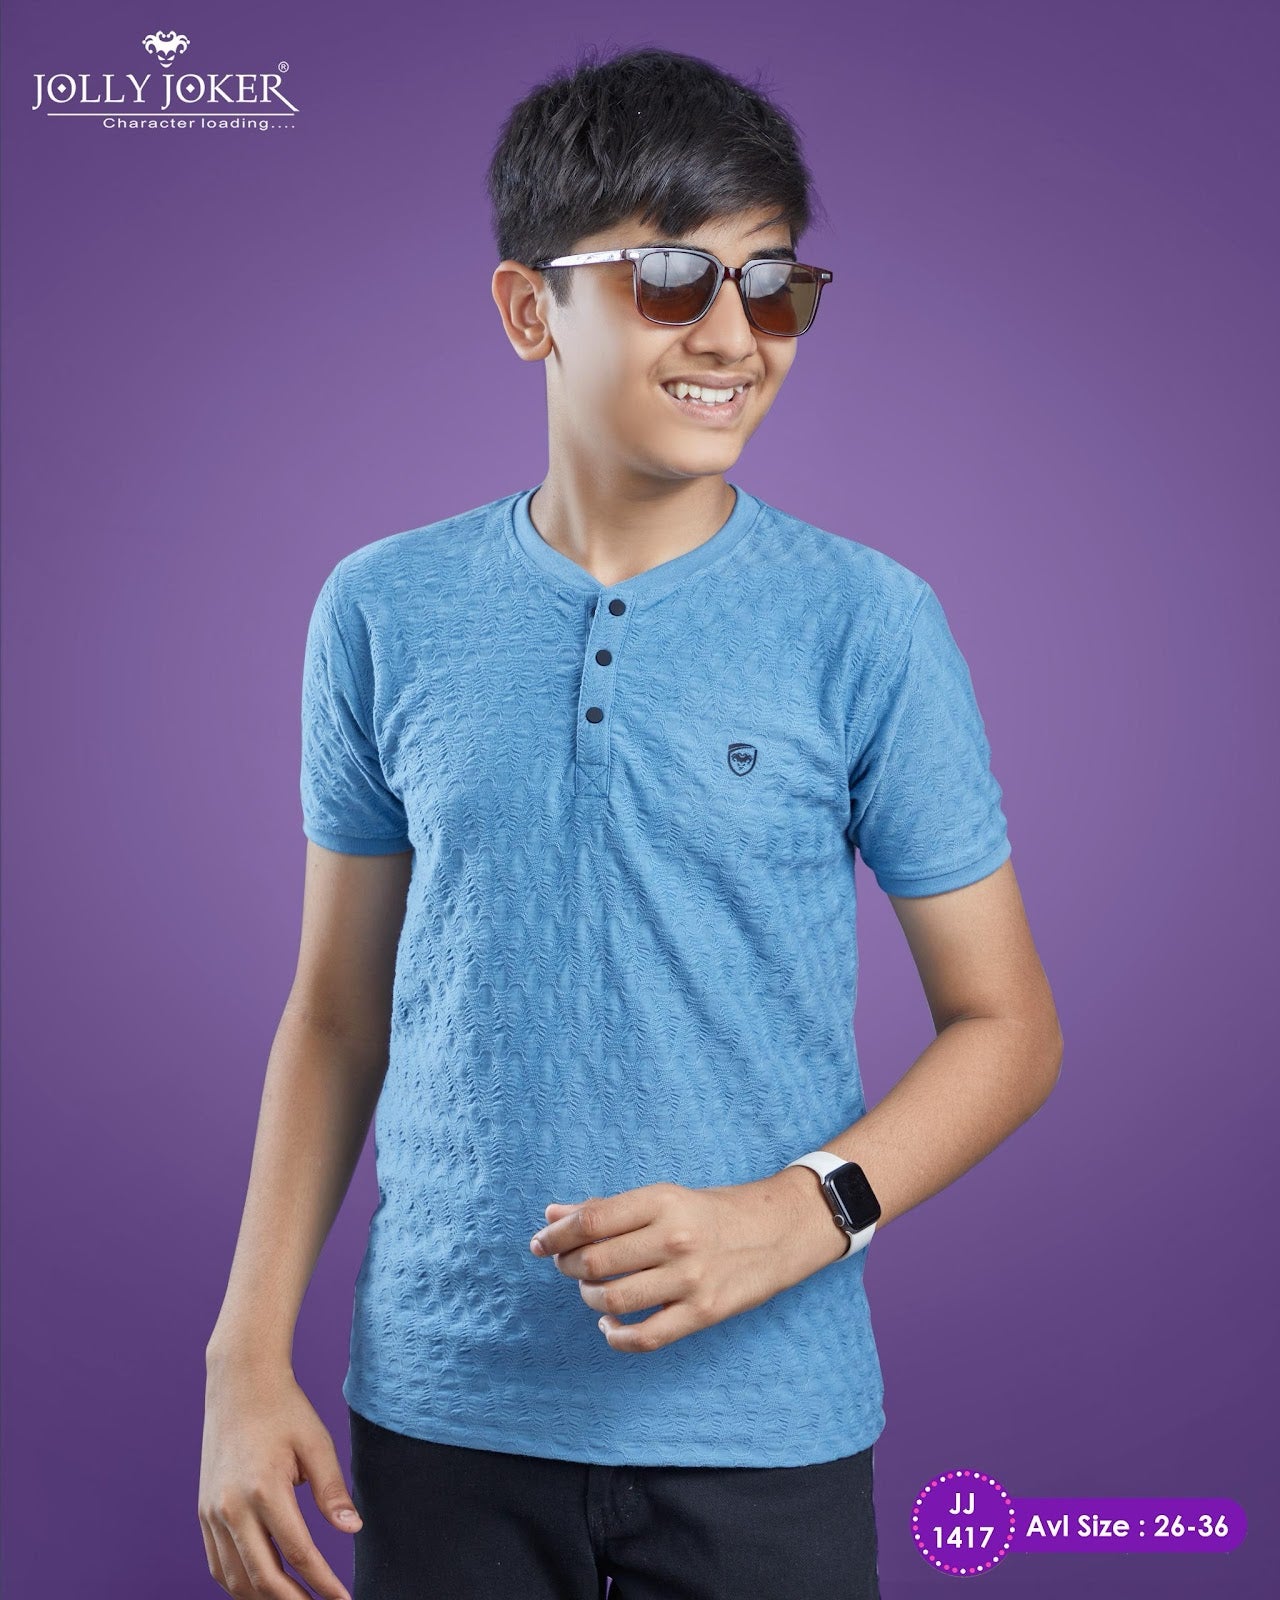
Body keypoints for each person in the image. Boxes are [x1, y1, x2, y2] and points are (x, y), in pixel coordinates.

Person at [199, 43, 1062, 1600]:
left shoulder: (869, 621)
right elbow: (335, 1015)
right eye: (672, 278)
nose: (734, 335)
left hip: (770, 1430)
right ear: (530, 309)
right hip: (443, 1420)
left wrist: (803, 1215)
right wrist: (244, 1358)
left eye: (772, 285)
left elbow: (1009, 1026)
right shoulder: (382, 608)